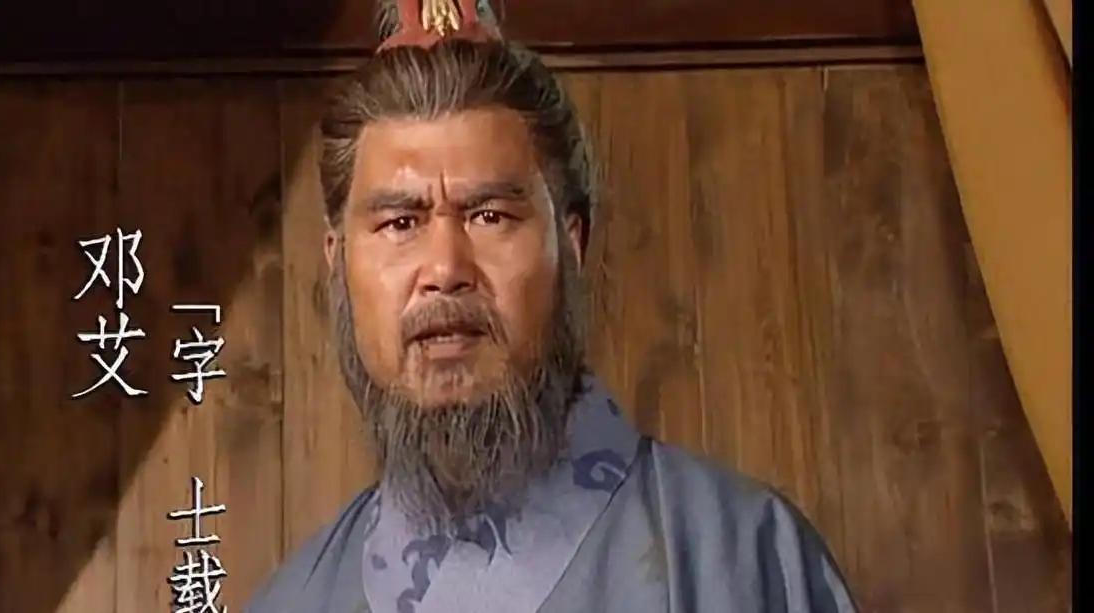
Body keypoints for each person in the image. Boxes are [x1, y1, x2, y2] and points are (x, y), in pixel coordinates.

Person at [250, 1, 856, 611]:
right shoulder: (292, 602)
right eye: (400, 223)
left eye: (490, 216)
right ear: (337, 261)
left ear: (572, 244)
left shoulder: (748, 560)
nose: (445, 270)